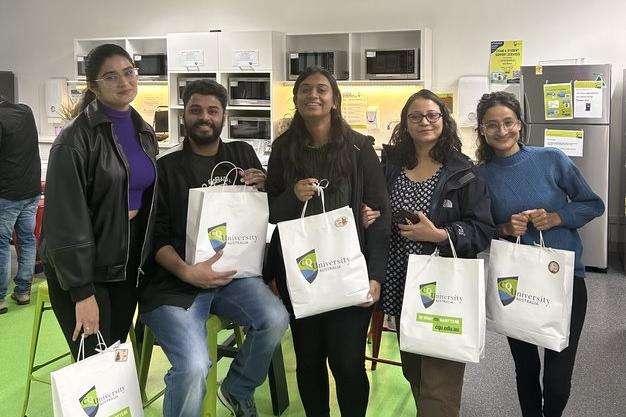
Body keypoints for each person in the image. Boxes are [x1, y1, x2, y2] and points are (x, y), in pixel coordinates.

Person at [139, 79, 289, 417]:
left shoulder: (242, 154)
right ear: (184, 116)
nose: (204, 117)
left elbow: (264, 210)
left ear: (223, 116)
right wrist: (187, 271)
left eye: (212, 111)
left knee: (276, 318)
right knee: (194, 366)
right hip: (175, 283)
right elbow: (156, 238)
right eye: (195, 110)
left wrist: (264, 184)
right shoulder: (166, 169)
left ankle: (237, 390)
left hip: (233, 275)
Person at [265, 66, 391, 417]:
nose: (313, 96)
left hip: (349, 271)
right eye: (305, 89)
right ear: (296, 99)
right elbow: (271, 212)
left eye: (322, 89)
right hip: (300, 273)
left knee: (348, 365)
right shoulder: (283, 149)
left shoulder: (359, 148)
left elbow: (381, 215)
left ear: (335, 99)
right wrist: (293, 196)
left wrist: (375, 276)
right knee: (307, 362)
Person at [362, 89, 494, 417]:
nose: (424, 122)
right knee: (414, 373)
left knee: (439, 386)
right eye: (416, 116)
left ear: (444, 121)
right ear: (405, 124)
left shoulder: (462, 171)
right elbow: (378, 206)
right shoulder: (391, 165)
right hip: (400, 281)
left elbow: (482, 230)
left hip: (442, 287)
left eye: (432, 115)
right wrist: (372, 214)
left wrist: (439, 235)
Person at [474, 91, 604, 417]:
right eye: (492, 125)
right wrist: (505, 228)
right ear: (482, 130)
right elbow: (478, 228)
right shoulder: (480, 176)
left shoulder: (552, 159)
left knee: (558, 376)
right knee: (526, 369)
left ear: (520, 124)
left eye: (508, 122)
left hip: (564, 280)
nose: (502, 131)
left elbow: (593, 204)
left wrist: (558, 217)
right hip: (514, 283)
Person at [42, 44, 158, 358]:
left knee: (114, 351)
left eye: (129, 72)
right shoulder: (74, 140)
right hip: (87, 266)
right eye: (111, 76)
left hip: (125, 262)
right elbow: (64, 222)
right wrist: (82, 293)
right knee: (93, 363)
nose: (124, 82)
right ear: (94, 86)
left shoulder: (142, 131)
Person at [0, 95, 41, 314]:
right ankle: (23, 291)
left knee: (1, 244)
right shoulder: (26, 111)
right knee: (27, 240)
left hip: (6, 195)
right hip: (31, 190)